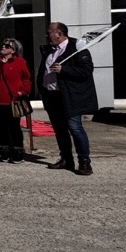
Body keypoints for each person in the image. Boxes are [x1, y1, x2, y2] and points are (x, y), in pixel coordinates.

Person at [41, 22, 98, 175]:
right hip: (52, 96)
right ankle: (66, 159)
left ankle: (84, 161)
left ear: (59, 34)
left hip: (70, 97)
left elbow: (86, 71)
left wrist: (64, 69)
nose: (47, 35)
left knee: (75, 128)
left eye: (49, 32)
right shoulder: (49, 50)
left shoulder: (77, 48)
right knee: (60, 130)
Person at [0, 37, 32, 163]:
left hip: (12, 100)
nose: (3, 47)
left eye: (7, 46)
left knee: (14, 127)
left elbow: (26, 79)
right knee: (1, 127)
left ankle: (18, 151)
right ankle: (4, 150)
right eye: (3, 45)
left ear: (13, 50)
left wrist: (22, 92)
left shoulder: (20, 62)